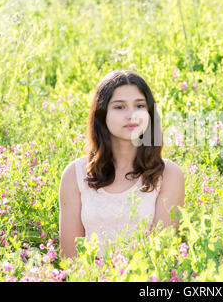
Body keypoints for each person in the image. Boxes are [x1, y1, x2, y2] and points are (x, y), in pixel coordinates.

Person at [58, 70, 185, 259]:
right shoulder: (74, 174)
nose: (131, 115)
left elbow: (161, 256)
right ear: (102, 115)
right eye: (119, 107)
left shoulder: (168, 175)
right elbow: (70, 259)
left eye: (139, 106)